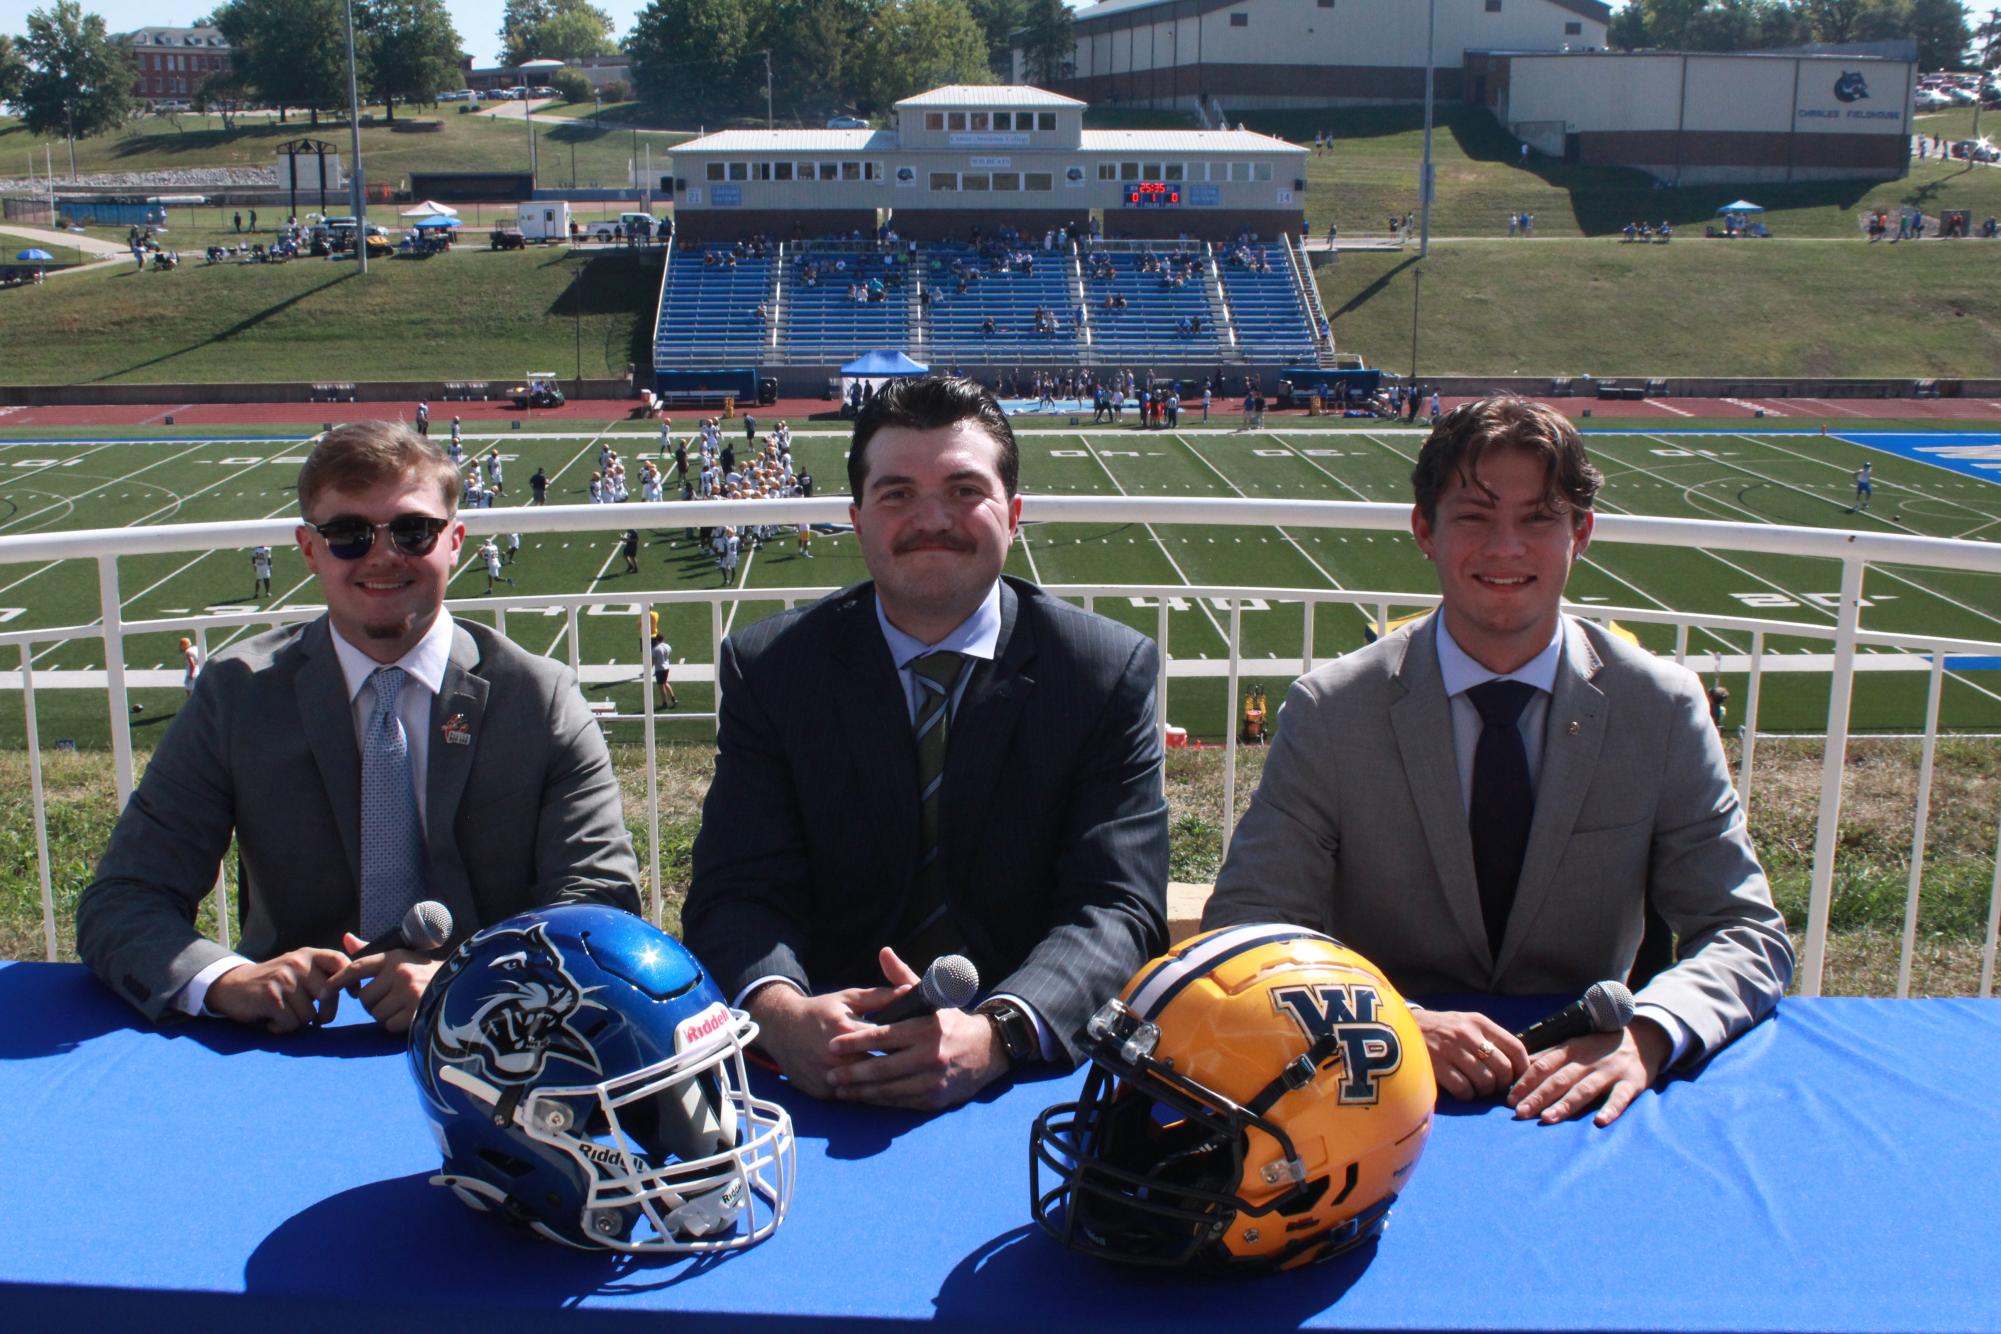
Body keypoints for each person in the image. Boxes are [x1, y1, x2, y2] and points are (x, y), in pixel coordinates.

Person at [1202, 396, 1793, 1127]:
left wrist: (1645, 1034)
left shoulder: (1659, 708)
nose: (1505, 548)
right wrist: (1393, 1023)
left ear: (1580, 533)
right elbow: (1248, 925)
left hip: (1582, 1095)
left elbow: (1745, 931)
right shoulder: (1333, 710)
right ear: (1425, 530)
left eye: (1538, 518)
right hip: (1377, 1096)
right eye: (1474, 516)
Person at [684, 375, 1170, 1113]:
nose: (931, 519)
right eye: (897, 494)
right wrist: (783, 1016)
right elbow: (737, 888)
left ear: (1012, 514)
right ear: (856, 519)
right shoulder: (774, 669)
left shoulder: (1102, 671)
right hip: (826, 1061)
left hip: (1026, 1074)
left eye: (963, 490)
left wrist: (1001, 1031)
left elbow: (1116, 905)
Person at [77, 421, 641, 1034]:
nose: (382, 554)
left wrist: (472, 980)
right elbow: (126, 897)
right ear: (309, 547)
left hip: (499, 1037)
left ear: (455, 540)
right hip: (290, 1043)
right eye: (347, 533)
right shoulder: (239, 694)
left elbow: (599, 900)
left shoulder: (538, 697)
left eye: (412, 529)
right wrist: (225, 979)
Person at [651, 633, 678, 709]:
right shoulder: (668, 646)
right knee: (665, 683)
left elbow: (653, 661)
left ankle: (664, 703)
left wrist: (649, 668)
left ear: (657, 640)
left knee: (661, 687)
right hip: (666, 667)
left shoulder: (655, 649)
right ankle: (673, 698)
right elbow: (669, 656)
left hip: (659, 669)